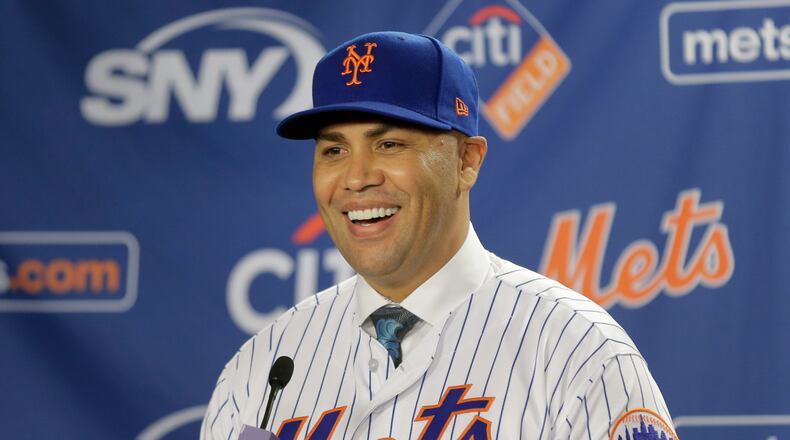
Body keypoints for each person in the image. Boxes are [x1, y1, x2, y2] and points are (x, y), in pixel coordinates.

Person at [202, 31, 676, 440]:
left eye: (389, 144)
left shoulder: (574, 349)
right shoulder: (261, 367)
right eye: (333, 150)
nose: (356, 177)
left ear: (467, 161)